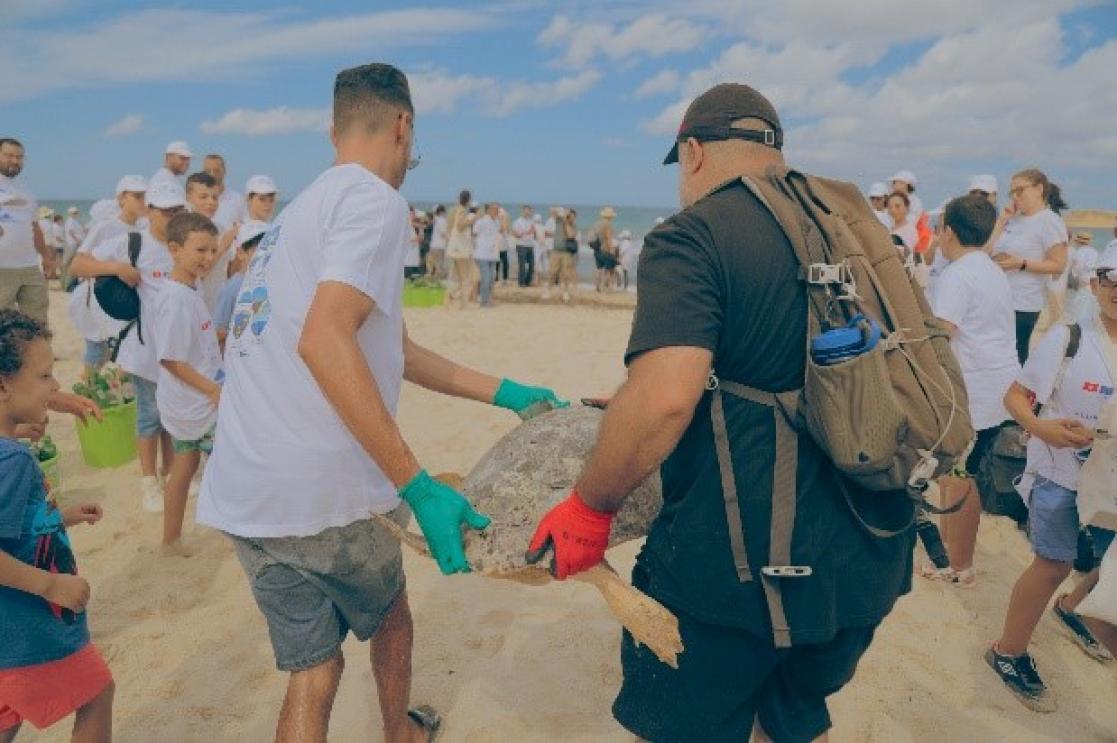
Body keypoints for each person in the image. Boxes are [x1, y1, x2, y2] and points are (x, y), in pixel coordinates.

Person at [528, 82, 914, 743]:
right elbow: (785, 361)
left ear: (692, 151)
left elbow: (666, 397)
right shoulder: (851, 230)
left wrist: (590, 506)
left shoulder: (691, 235)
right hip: (866, 557)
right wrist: (635, 397)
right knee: (792, 719)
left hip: (736, 576)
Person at [197, 63, 567, 743]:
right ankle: (400, 734)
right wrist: (416, 483)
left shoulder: (296, 214)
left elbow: (391, 347)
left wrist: (506, 392)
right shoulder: (374, 201)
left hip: (245, 491)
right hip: (323, 492)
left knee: (312, 671)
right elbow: (323, 339)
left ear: (333, 130)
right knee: (391, 617)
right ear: (403, 126)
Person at [986, 243, 1117, 712]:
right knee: (1053, 564)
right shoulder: (1069, 338)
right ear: (1096, 283)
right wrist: (1041, 428)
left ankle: (1075, 608)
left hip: (1113, 480)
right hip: (1062, 473)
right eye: (1111, 279)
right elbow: (1016, 396)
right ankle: (1008, 652)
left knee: (1112, 564)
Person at [0, 309, 114, 743]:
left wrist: (58, 516)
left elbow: (12, 523)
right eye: (45, 375)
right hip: (28, 629)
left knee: (7, 717)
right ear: (4, 384)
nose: (54, 387)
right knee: (98, 694)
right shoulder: (11, 460)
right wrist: (52, 586)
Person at [922, 195, 1020, 587]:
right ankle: (951, 549)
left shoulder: (959, 274)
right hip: (998, 383)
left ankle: (959, 563)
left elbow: (942, 329)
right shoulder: (990, 268)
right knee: (959, 471)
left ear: (948, 231)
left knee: (961, 475)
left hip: (974, 388)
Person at [71, 181, 186, 514]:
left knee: (170, 413)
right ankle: (149, 482)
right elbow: (79, 265)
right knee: (150, 415)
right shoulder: (133, 242)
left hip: (175, 344)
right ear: (150, 211)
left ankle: (170, 472)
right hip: (143, 345)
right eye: (166, 210)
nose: (172, 216)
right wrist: (118, 268)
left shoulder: (182, 245)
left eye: (178, 209)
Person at [153, 213, 221, 553]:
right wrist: (213, 390)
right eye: (200, 251)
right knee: (226, 461)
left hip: (190, 401)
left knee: (187, 464)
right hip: (196, 404)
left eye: (213, 250)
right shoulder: (176, 298)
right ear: (175, 249)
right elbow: (170, 358)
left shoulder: (189, 290)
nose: (209, 258)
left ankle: (171, 538)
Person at [987, 168, 1069, 364]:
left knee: (1013, 356)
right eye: (1012, 192)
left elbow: (1059, 265)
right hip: (998, 297)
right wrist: (1001, 221)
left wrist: (1021, 263)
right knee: (992, 354)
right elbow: (986, 252)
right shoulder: (1013, 219)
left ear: (1039, 189)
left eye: (1020, 190)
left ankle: (1018, 393)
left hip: (1023, 303)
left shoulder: (1049, 221)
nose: (1015, 196)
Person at [69, 176, 147, 378]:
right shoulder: (106, 227)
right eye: (137, 196)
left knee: (121, 356)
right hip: (101, 301)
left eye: (146, 196)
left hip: (126, 303)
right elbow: (78, 266)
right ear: (121, 198)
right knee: (97, 353)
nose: (143, 201)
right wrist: (117, 268)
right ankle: (86, 399)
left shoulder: (143, 229)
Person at [0, 140, 53, 324]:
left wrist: (46, 256)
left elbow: (34, 227)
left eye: (19, 157)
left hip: (30, 267)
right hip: (2, 268)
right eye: (9, 155)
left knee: (37, 323)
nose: (15, 161)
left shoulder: (27, 192)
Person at [215, 221, 268, 349]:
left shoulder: (268, 284)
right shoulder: (232, 289)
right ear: (241, 252)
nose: (266, 255)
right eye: (259, 250)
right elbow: (217, 332)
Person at [445, 189, 477, 309]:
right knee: (465, 277)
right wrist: (473, 219)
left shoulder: (455, 210)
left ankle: (449, 301)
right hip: (461, 249)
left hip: (455, 248)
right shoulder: (462, 211)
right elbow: (460, 225)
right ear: (468, 200)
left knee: (455, 276)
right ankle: (462, 304)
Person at [204, 154, 248, 231]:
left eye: (216, 171)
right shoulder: (196, 201)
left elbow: (247, 228)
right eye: (208, 171)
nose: (212, 174)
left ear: (224, 171)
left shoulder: (238, 199)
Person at [473, 203, 500, 307]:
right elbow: (474, 234)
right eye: (494, 209)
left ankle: (487, 299)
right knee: (486, 278)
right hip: (481, 254)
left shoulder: (497, 221)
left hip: (493, 255)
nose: (497, 211)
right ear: (488, 210)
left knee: (492, 278)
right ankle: (484, 302)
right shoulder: (481, 221)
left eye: (497, 209)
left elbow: (499, 233)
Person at [593, 207, 618, 292]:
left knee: (599, 268)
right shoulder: (608, 225)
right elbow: (608, 238)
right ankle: (606, 287)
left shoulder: (597, 224)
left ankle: (598, 286)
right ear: (610, 216)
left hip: (597, 249)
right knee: (608, 269)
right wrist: (612, 250)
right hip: (605, 249)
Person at [61, 206, 86, 287]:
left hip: (76, 244)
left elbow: (81, 231)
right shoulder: (70, 221)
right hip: (72, 245)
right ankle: (66, 283)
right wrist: (78, 241)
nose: (76, 214)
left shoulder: (75, 221)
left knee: (72, 263)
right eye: (74, 213)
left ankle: (70, 283)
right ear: (70, 213)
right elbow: (70, 232)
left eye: (76, 212)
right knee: (68, 263)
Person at [512, 205, 535, 287]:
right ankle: (521, 283)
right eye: (526, 210)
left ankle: (528, 282)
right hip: (521, 245)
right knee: (522, 265)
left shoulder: (531, 221)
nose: (527, 212)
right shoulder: (517, 221)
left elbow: (533, 233)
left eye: (529, 210)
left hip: (530, 245)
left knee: (532, 265)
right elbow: (515, 234)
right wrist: (526, 232)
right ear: (523, 211)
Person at [426, 205, 447, 281]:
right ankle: (438, 283)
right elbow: (443, 234)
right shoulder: (442, 220)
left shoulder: (437, 220)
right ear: (442, 212)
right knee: (439, 267)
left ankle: (432, 282)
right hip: (439, 246)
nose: (446, 213)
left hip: (434, 246)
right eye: (445, 212)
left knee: (433, 268)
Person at [532, 213, 547, 286]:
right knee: (541, 264)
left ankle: (536, 281)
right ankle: (539, 280)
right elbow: (544, 237)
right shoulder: (543, 226)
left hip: (537, 246)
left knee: (536, 264)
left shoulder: (534, 226)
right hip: (543, 246)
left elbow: (536, 236)